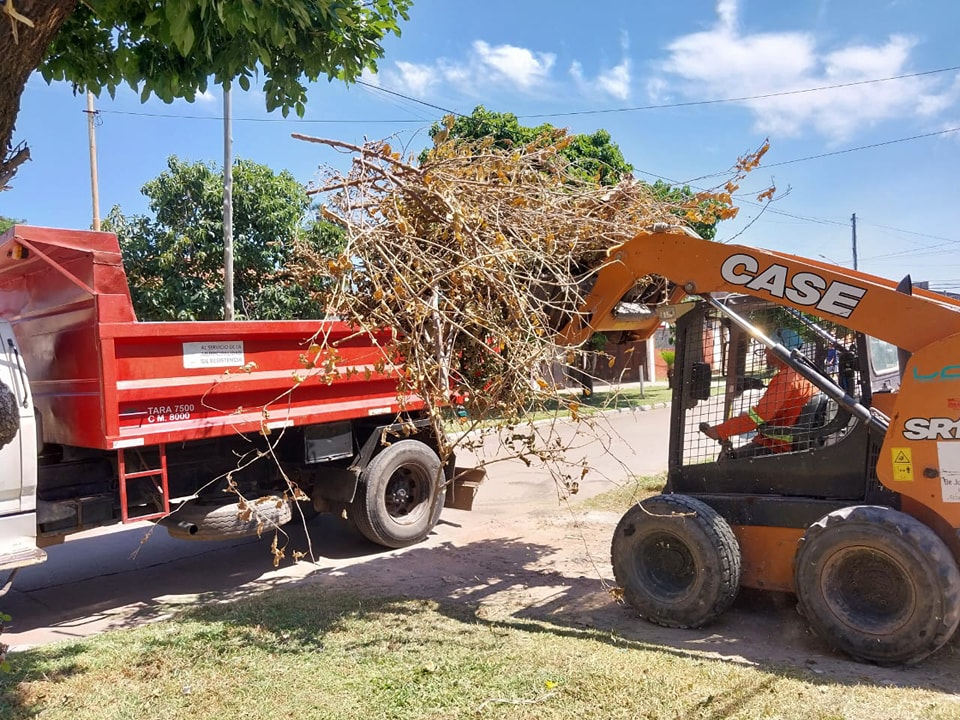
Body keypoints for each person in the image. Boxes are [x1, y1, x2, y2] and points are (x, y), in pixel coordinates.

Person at [701, 328, 816, 458]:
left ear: (781, 350)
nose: (766, 351)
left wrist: (719, 430)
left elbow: (759, 416)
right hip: (782, 443)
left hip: (776, 448)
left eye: (769, 347)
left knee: (726, 464)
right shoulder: (802, 374)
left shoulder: (786, 378)